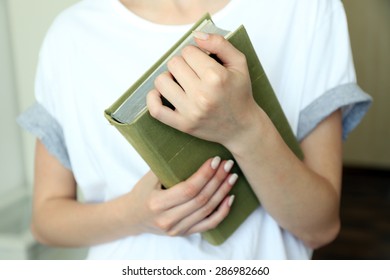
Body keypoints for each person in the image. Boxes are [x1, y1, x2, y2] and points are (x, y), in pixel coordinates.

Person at [18, 0, 371, 259]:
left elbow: (321, 227)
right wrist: (136, 216)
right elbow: (46, 220)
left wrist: (244, 128)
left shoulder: (305, 10)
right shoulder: (70, 36)